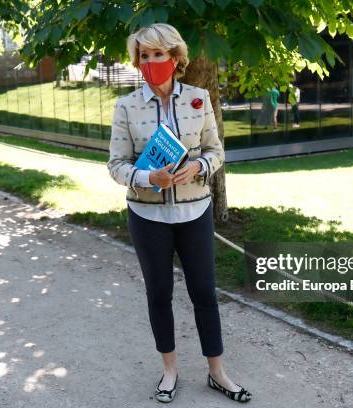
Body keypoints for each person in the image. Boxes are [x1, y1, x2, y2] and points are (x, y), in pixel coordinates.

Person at [107, 23, 252, 404]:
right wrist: (146, 176)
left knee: (204, 292)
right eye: (144, 55)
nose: (151, 61)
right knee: (159, 294)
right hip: (147, 216)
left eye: (158, 54)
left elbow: (215, 152)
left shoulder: (199, 99)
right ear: (138, 61)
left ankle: (217, 373)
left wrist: (199, 168)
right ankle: (169, 371)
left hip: (195, 212)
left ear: (175, 57)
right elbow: (116, 165)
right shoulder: (126, 106)